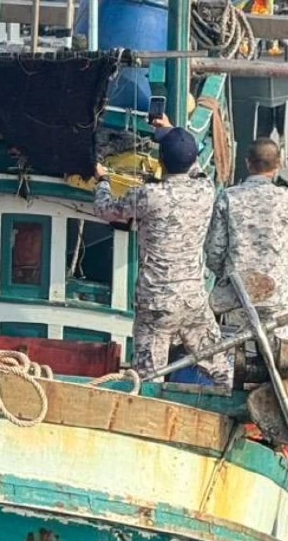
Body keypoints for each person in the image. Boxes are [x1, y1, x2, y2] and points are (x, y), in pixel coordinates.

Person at [92, 116, 233, 385]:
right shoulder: (205, 189)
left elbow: (105, 209)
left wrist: (104, 180)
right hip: (192, 299)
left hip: (156, 303)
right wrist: (168, 130)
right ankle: (230, 411)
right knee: (219, 368)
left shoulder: (148, 196)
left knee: (147, 378)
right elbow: (195, 166)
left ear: (160, 163)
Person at [205, 138, 288, 342]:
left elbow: (214, 249)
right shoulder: (283, 198)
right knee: (277, 349)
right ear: (278, 165)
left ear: (247, 163)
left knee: (234, 349)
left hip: (237, 291)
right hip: (274, 293)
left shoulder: (228, 197)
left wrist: (224, 274)